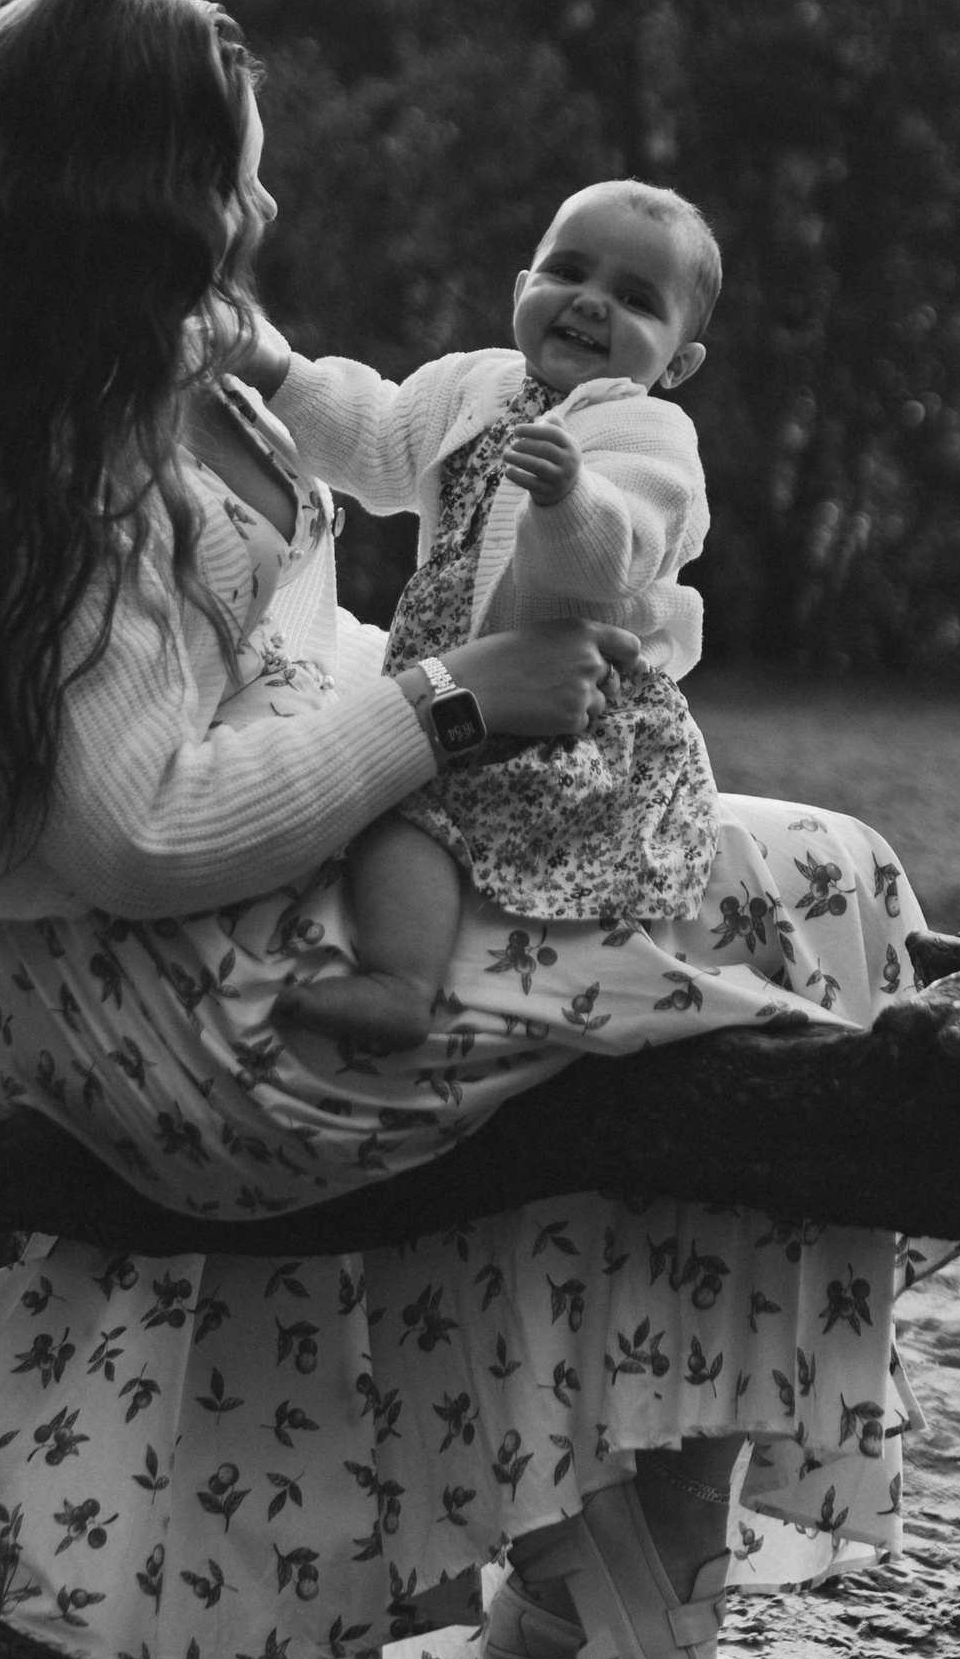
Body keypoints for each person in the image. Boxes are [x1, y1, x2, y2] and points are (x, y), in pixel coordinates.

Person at [0, 0, 927, 1659]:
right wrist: (449, 712)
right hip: (199, 1000)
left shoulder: (133, 372)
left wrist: (456, 692)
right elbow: (141, 831)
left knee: (775, 880)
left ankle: (573, 1577)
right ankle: (636, 1558)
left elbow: (299, 620)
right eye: (235, 175)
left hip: (272, 901)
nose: (263, 210)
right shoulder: (73, 464)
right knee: (809, 909)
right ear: (133, 190)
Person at [221, 176, 726, 1052]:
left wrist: (571, 496)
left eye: (636, 298)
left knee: (407, 812)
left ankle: (401, 985)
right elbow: (375, 438)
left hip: (568, 707)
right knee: (391, 783)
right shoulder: (473, 386)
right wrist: (279, 373)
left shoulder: (649, 437)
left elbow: (622, 555)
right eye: (568, 271)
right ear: (522, 289)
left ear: (677, 362)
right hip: (464, 678)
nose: (591, 303)